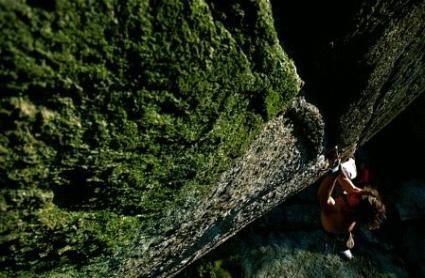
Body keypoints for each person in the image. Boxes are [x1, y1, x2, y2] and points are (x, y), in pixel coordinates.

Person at [317, 147, 386, 259]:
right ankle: (347, 245)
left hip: (332, 224)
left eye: (356, 195)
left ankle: (343, 247)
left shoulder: (336, 218)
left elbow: (323, 196)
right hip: (346, 218)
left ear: (352, 209)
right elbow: (347, 183)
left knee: (341, 239)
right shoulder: (357, 200)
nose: (355, 191)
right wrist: (337, 164)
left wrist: (333, 172)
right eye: (359, 192)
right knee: (350, 172)